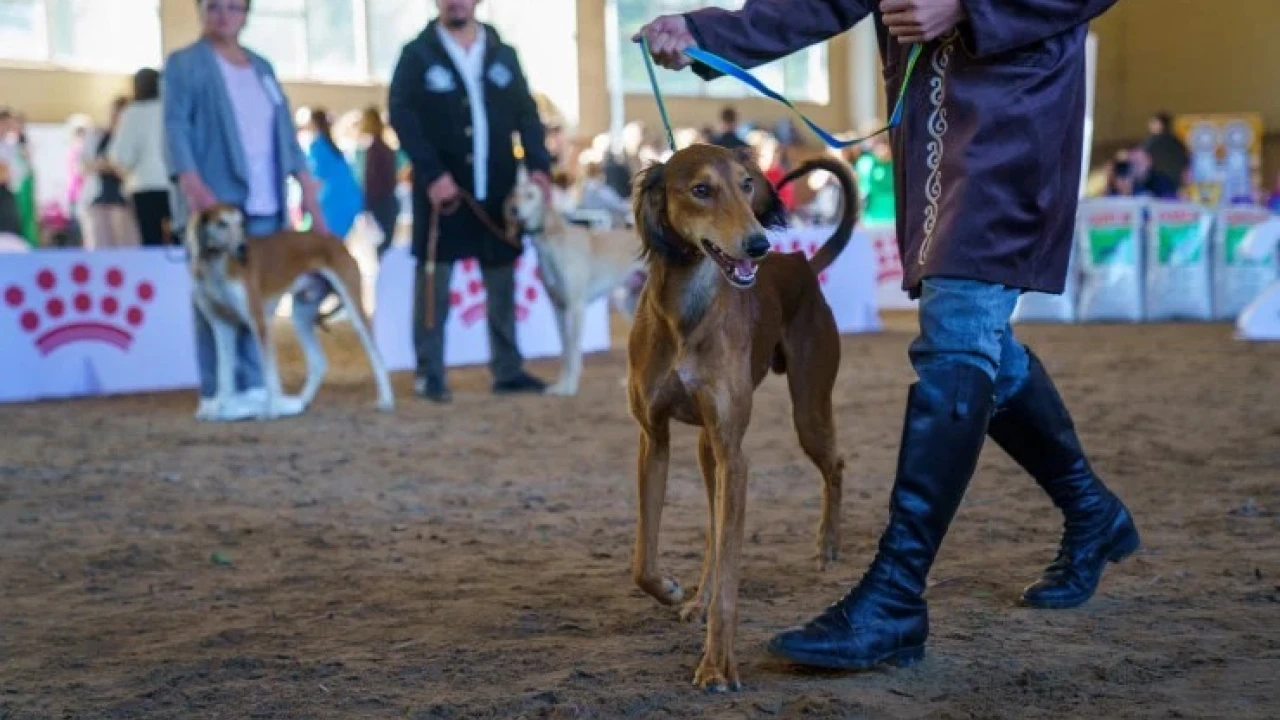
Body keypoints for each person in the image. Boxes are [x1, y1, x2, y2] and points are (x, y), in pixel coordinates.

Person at [637, 0, 1139, 672]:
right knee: (979, 339)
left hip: (1014, 116)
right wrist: (707, 34)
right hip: (931, 132)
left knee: (958, 336)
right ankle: (1093, 511)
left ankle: (897, 595)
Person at [164, 0, 330, 421]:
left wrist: (305, 183)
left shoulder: (262, 67)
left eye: (234, 7)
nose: (224, 15)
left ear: (246, 14)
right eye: (215, 6)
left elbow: (285, 132)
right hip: (215, 201)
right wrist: (190, 180)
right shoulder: (186, 64)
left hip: (266, 201)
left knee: (257, 303)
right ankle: (217, 392)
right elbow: (176, 125)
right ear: (202, 11)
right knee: (212, 297)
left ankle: (256, 387)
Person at [388, 0, 553, 403]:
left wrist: (538, 165)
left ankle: (508, 369)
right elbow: (401, 115)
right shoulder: (416, 54)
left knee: (502, 281)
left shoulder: (503, 54)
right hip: (441, 192)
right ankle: (430, 374)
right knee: (434, 284)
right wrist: (430, 172)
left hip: (497, 193)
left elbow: (526, 114)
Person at [109, 68, 173, 246]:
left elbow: (121, 155)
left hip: (144, 186)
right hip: (173, 182)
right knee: (178, 238)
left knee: (151, 240)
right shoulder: (171, 109)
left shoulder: (133, 113)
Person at [82, 97, 139, 249]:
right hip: (98, 199)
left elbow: (126, 166)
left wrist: (111, 165)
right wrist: (105, 165)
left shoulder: (131, 137)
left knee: (125, 245)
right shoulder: (97, 135)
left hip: (123, 200)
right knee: (99, 245)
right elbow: (84, 164)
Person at [304, 108, 362, 242]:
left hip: (332, 201)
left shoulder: (317, 147)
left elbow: (316, 176)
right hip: (349, 199)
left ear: (313, 123)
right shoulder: (332, 147)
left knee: (327, 244)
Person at [355, 106, 402, 257]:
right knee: (384, 249)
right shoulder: (385, 149)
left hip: (380, 204)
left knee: (381, 250)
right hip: (387, 202)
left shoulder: (374, 151)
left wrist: (366, 206)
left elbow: (372, 182)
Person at [1140, 111, 1189, 196]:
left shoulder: (1153, 141)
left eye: (1153, 122)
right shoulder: (1177, 142)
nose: (1150, 125)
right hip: (1175, 183)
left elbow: (1140, 155)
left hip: (1159, 182)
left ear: (1160, 124)